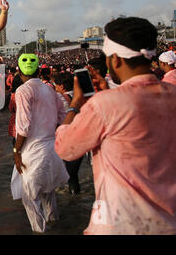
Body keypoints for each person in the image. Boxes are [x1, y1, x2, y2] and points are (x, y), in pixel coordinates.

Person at [55, 17, 176, 235]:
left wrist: (74, 106)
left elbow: (65, 148)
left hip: (121, 224)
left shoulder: (104, 105)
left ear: (115, 60)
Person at [11, 54, 68, 233]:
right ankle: (54, 224)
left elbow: (23, 126)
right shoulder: (49, 89)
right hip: (52, 148)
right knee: (48, 192)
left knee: (30, 199)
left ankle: (40, 230)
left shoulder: (22, 91)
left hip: (33, 151)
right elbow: (62, 117)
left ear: (19, 72)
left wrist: (16, 150)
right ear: (39, 71)